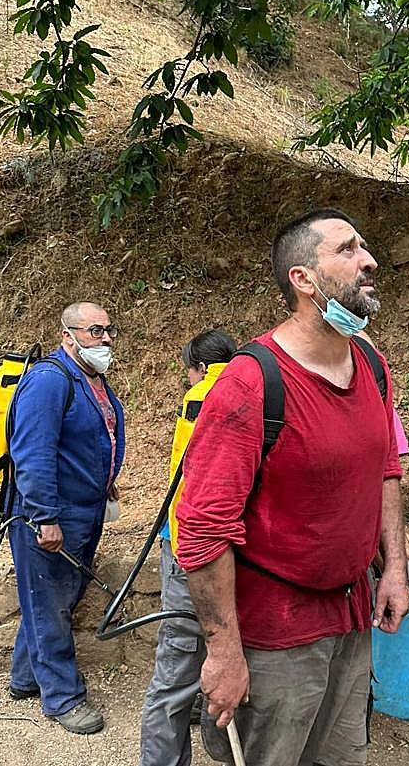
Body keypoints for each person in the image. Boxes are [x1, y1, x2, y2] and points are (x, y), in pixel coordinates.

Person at [175, 208, 409, 766]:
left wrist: (394, 569)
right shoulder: (250, 383)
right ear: (303, 279)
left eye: (365, 247)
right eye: (348, 250)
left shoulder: (371, 363)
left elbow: (384, 468)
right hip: (275, 636)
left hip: (353, 617)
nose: (369, 260)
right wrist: (224, 652)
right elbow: (203, 529)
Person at [7, 302, 125, 734]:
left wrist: (105, 477)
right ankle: (62, 698)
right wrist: (44, 516)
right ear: (67, 334)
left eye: (109, 330)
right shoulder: (48, 381)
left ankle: (24, 678)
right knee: (52, 604)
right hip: (53, 514)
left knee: (52, 599)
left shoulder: (91, 379)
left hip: (83, 510)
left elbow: (95, 436)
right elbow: (33, 455)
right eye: (95, 331)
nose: (106, 339)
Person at [140, 328, 237, 766]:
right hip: (225, 549)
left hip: (187, 551)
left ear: (198, 367)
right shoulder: (249, 389)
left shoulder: (201, 393)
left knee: (177, 666)